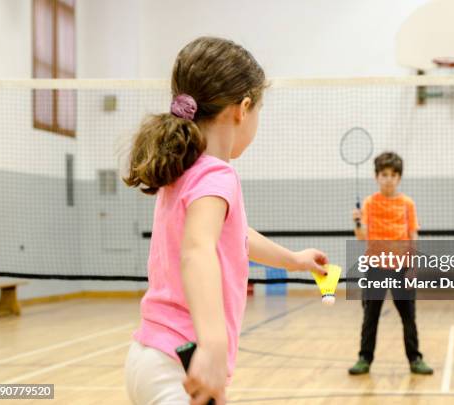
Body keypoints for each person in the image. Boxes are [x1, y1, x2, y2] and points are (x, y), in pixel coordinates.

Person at [123, 37, 328, 405]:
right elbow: (198, 251)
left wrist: (294, 260)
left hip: (148, 357)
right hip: (182, 363)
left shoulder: (184, 171)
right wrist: (213, 344)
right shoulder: (217, 175)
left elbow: (234, 238)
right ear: (243, 109)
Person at [348, 152, 433, 376]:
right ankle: (364, 358)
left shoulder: (407, 204)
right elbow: (360, 236)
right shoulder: (369, 203)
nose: (389, 179)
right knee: (370, 316)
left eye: (394, 175)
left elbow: (413, 234)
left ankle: (415, 359)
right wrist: (357, 222)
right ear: (376, 177)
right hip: (376, 267)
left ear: (399, 178)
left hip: (402, 268)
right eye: (384, 174)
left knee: (408, 317)